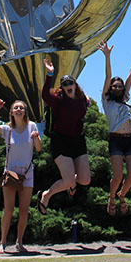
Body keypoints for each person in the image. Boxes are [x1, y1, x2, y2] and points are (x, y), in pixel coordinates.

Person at [0, 98, 42, 253]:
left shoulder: (32, 126)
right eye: (16, 108)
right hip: (10, 174)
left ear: (25, 112)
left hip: (27, 173)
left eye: (21, 108)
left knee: (24, 211)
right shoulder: (7, 129)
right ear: (11, 112)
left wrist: (36, 138)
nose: (19, 110)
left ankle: (19, 242)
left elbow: (38, 148)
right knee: (8, 210)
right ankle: (3, 242)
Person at [37, 58, 91, 215]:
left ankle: (71, 182)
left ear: (75, 85)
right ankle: (46, 195)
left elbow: (85, 104)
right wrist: (49, 74)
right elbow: (45, 95)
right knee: (68, 180)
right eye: (65, 84)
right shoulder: (58, 101)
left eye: (70, 83)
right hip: (60, 141)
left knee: (85, 180)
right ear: (62, 88)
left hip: (78, 140)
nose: (68, 86)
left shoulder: (82, 100)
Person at [99, 41, 131, 216]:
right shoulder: (106, 100)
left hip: (130, 139)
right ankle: (112, 197)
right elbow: (107, 76)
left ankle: (122, 195)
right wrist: (107, 56)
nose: (117, 88)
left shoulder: (125, 98)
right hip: (116, 140)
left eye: (120, 86)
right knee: (117, 176)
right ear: (110, 88)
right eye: (115, 86)